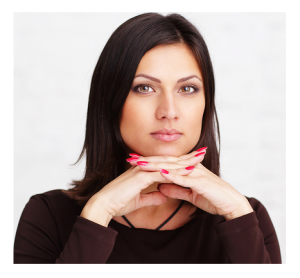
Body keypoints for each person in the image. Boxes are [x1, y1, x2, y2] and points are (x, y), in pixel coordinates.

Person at [14, 12, 281, 264]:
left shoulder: (246, 216)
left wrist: (238, 216)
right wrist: (98, 213)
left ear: (205, 104)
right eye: (144, 88)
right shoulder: (47, 215)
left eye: (187, 88)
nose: (169, 111)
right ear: (111, 101)